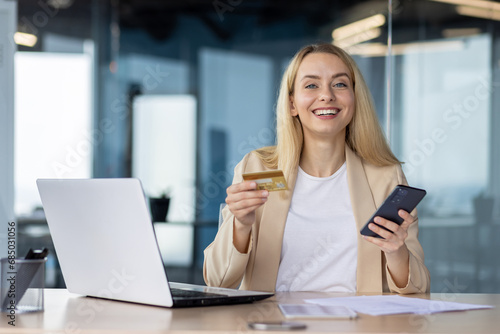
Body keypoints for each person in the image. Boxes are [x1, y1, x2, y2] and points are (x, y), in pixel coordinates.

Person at [203, 43, 430, 294]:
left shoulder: (385, 177)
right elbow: (217, 281)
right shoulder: (259, 168)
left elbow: (418, 289)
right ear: (292, 104)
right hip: (275, 325)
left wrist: (397, 251)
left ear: (354, 99)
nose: (327, 95)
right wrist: (241, 225)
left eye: (340, 84)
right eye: (311, 85)